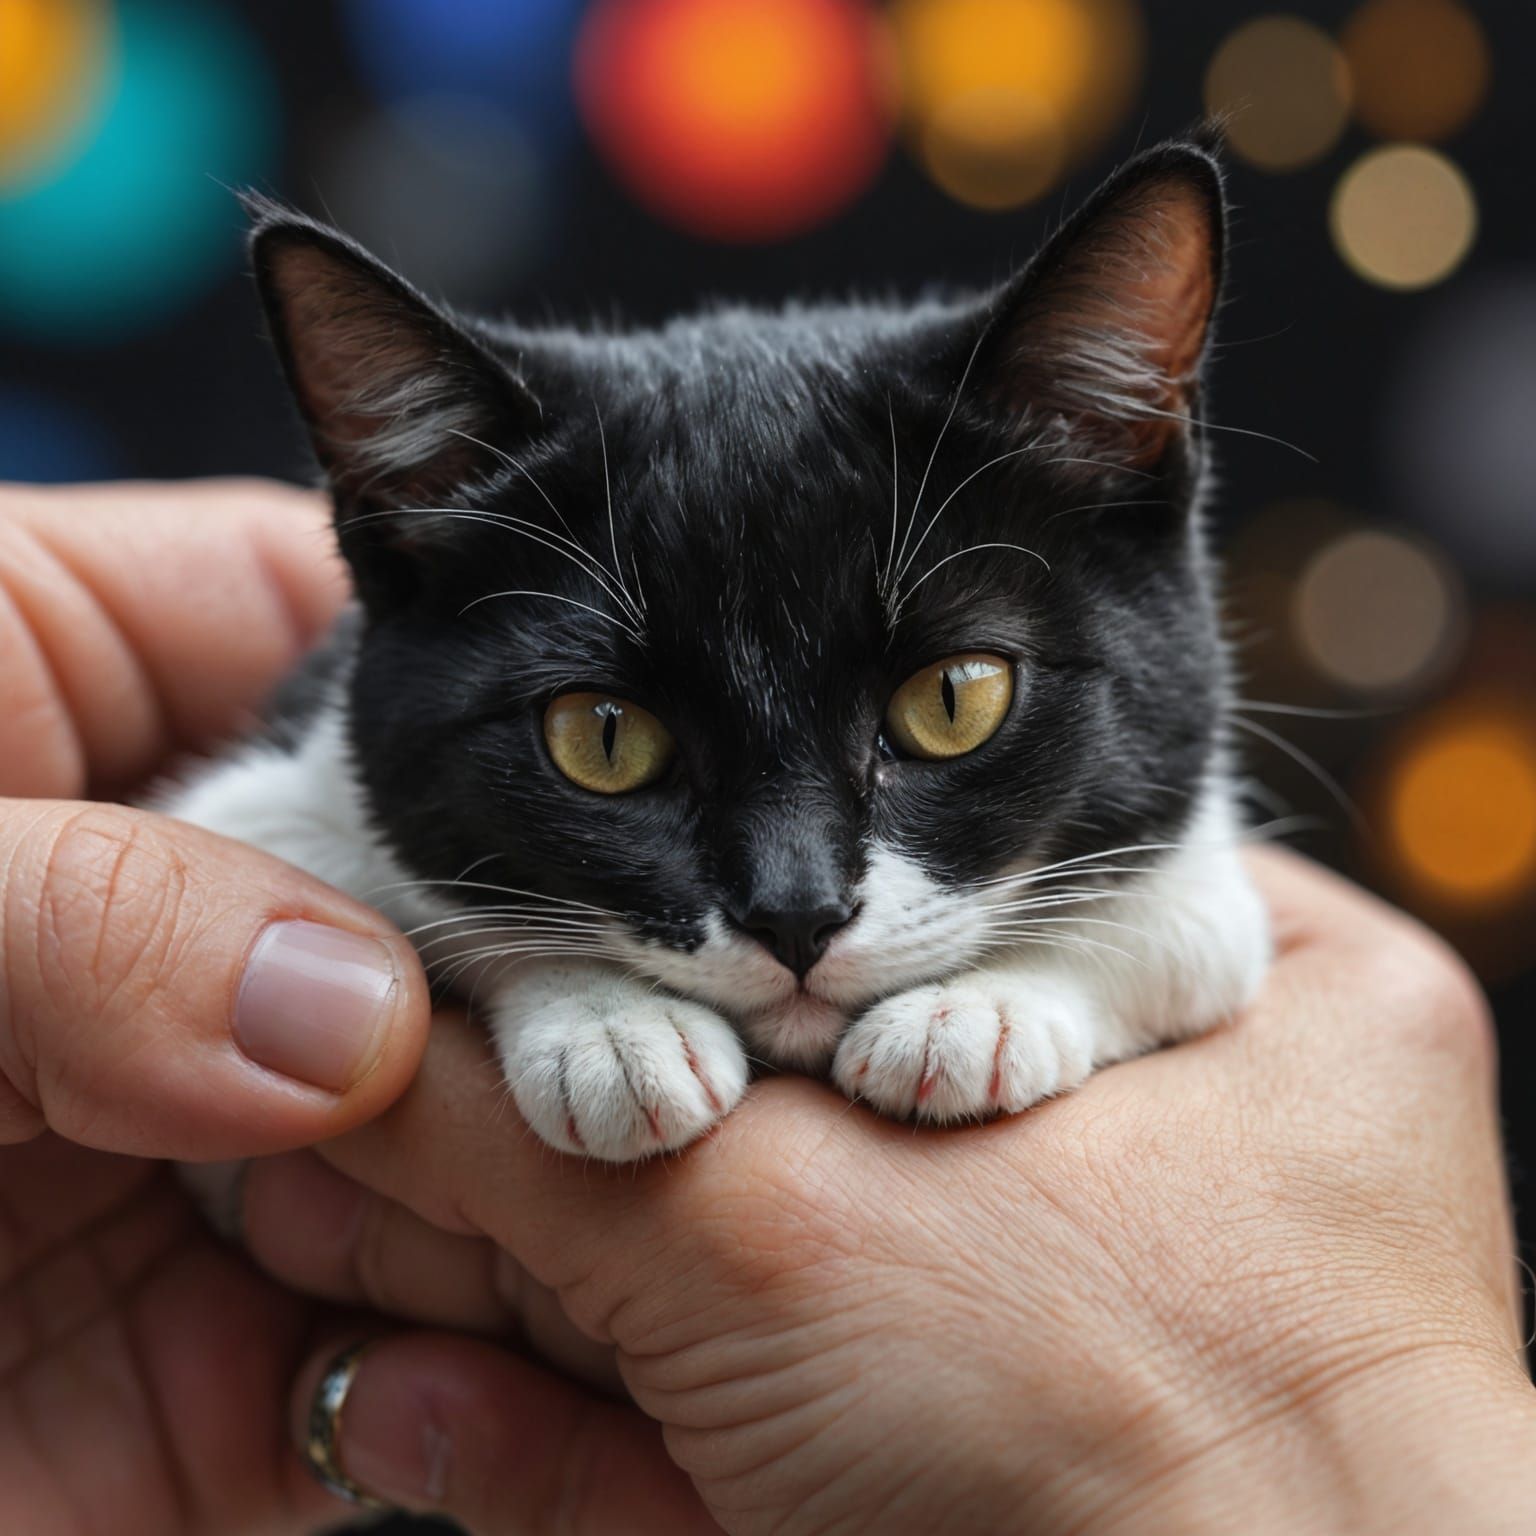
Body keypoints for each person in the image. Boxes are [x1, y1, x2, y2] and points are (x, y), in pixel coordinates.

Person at [1, 478, 1531, 1535]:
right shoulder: (354, 763)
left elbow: (1199, 922)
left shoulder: (1131, 835)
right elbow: (267, 837)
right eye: (607, 740)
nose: (801, 907)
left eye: (951, 706)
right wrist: (545, 964)